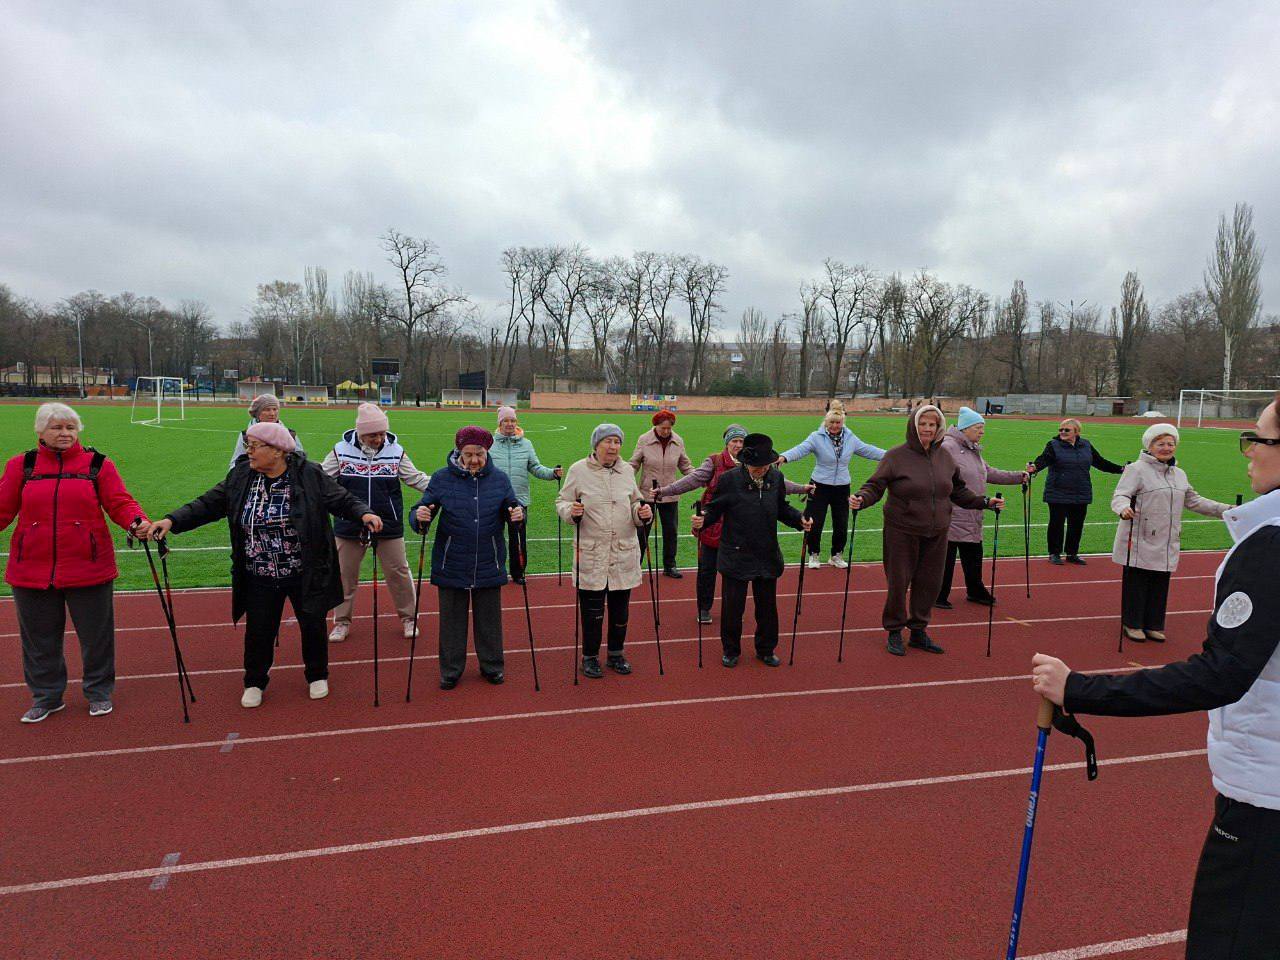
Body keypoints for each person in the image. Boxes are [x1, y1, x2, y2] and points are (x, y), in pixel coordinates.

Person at [1031, 396, 1280, 959]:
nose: (1248, 453)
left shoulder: (1269, 545)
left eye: (1258, 439)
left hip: (1266, 795)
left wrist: (1080, 689)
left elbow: (1221, 674)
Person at [151, 422, 381, 708]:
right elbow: (208, 503)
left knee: (313, 625)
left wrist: (364, 514)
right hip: (258, 572)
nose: (248, 451)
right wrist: (172, 520)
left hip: (304, 570)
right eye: (248, 445)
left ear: (277, 451)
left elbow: (341, 499)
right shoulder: (241, 476)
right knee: (259, 630)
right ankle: (254, 681)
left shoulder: (309, 474)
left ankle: (317, 674)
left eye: (254, 446)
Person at [0, 403, 149, 723]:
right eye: (57, 427)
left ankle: (98, 692)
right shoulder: (21, 466)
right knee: (39, 640)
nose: (65, 433)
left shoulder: (98, 464)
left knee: (96, 638)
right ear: (40, 431)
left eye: (70, 427)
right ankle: (46, 697)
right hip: (31, 570)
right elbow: (2, 509)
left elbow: (120, 502)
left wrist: (137, 522)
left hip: (89, 567)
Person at [851, 405, 1003, 656]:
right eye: (923, 424)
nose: (927, 429)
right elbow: (875, 486)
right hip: (902, 531)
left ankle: (918, 631)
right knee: (899, 582)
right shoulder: (896, 456)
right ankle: (895, 630)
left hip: (937, 532)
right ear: (914, 426)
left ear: (939, 428)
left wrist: (985, 502)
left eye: (932, 425)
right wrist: (861, 498)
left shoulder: (945, 457)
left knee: (929, 584)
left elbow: (958, 491)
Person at [656, 424, 811, 623]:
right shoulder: (715, 461)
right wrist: (665, 491)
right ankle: (704, 608)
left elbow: (779, 484)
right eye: (734, 441)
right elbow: (692, 480)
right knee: (707, 570)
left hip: (740, 529)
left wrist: (801, 488)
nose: (738, 444)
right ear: (727, 443)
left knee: (738, 575)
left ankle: (735, 610)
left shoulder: (759, 462)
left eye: (741, 441)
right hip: (714, 523)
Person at [409, 427, 523, 689]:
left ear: (487, 452)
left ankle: (492, 666)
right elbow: (422, 509)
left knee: (489, 621)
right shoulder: (441, 478)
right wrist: (419, 517)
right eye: (468, 454)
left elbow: (512, 508)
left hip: (489, 559)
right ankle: (451, 670)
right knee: (451, 621)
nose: (474, 460)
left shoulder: (500, 479)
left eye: (479, 454)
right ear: (459, 452)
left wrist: (518, 515)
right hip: (452, 561)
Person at [693, 433, 812, 667]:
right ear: (746, 462)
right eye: (757, 467)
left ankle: (766, 649)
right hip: (735, 553)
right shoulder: (729, 480)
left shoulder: (776, 477)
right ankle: (731, 650)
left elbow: (781, 508)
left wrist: (800, 519)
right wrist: (703, 519)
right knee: (732, 608)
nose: (762, 470)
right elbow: (714, 508)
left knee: (767, 608)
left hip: (766, 553)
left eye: (765, 466)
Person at [320, 403, 431, 642]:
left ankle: (409, 618)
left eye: (381, 433)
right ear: (360, 432)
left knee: (399, 572)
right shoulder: (340, 451)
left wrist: (447, 487)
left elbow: (415, 478)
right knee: (344, 575)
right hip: (349, 523)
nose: (378, 439)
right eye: (372, 435)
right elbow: (321, 478)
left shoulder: (396, 451)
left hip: (388, 523)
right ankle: (341, 622)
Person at [1111, 423, 1228, 643]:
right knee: (1138, 582)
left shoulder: (1179, 474)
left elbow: (1194, 501)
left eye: (1170, 443)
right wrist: (1123, 508)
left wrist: (1226, 510)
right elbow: (1121, 495)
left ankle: (1153, 624)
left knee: (1160, 582)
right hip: (1140, 536)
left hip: (1167, 538)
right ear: (1150, 446)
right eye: (1161, 443)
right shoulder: (1136, 469)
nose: (1166, 448)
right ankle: (1132, 623)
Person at [558, 424, 652, 679]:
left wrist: (642, 512)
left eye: (617, 442)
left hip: (623, 553)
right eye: (608, 441)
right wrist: (570, 511)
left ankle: (616, 654)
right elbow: (562, 501)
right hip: (593, 553)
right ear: (596, 445)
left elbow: (635, 501)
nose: (613, 447)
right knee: (593, 613)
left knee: (621, 611)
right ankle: (589, 657)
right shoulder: (578, 470)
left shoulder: (627, 470)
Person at [936, 406, 1028, 608]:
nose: (982, 432)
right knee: (946, 557)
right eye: (978, 428)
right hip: (951, 512)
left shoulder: (972, 449)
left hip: (973, 511)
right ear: (965, 428)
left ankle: (975, 590)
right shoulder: (947, 447)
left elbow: (988, 472)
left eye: (982, 428)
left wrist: (1017, 477)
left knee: (973, 554)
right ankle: (938, 594)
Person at [778, 399, 885, 570]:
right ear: (826, 422)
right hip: (819, 486)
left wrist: (891, 455)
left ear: (843, 422)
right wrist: (784, 457)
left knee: (841, 523)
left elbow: (868, 450)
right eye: (832, 423)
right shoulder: (816, 437)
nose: (835, 426)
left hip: (842, 487)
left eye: (838, 423)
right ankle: (814, 554)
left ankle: (836, 555)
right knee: (815, 522)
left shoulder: (850, 438)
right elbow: (800, 449)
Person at [1028, 417, 1122, 565]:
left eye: (1067, 430)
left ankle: (1072, 553)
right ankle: (1054, 553)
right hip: (1058, 491)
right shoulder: (1053, 445)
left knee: (1076, 524)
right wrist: (1034, 467)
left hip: (1081, 491)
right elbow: (1044, 459)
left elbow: (1100, 462)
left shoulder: (1086, 445)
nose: (1062, 432)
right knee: (1056, 524)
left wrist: (1121, 469)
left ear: (1077, 432)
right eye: (1060, 429)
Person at [490, 405, 562, 584]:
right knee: (493, 538)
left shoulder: (526, 444)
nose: (510, 424)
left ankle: (518, 572)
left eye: (513, 420)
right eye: (506, 420)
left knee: (518, 540)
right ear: (499, 423)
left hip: (519, 500)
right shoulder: (489, 444)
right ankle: (495, 571)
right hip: (493, 500)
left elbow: (535, 467)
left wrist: (552, 473)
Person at [629, 410, 691, 578]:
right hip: (647, 495)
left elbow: (685, 465)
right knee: (642, 532)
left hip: (670, 494)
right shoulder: (644, 440)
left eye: (669, 428)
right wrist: (625, 479)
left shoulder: (678, 441)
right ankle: (635, 566)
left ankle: (670, 566)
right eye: (663, 428)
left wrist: (699, 477)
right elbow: (634, 463)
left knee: (671, 532)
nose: (666, 431)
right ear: (656, 425)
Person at [228, 393, 305, 469]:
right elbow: (235, 464)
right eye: (267, 410)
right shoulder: (246, 436)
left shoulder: (290, 434)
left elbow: (301, 460)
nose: (272, 413)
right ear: (257, 413)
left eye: (275, 409)